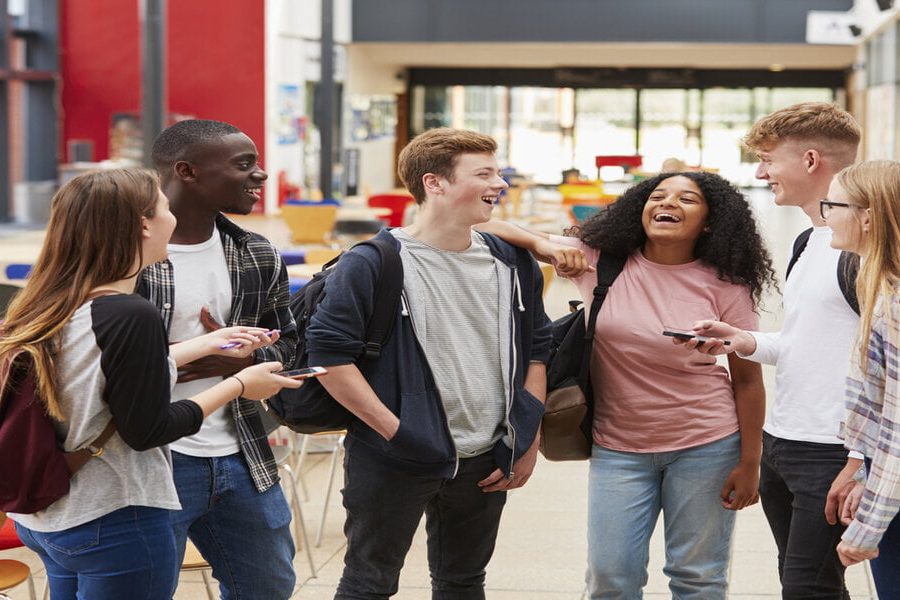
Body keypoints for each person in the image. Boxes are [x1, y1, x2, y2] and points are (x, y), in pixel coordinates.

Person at [2, 168, 300, 599]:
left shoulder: (52, 301)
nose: (172, 217)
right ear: (143, 224)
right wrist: (239, 384)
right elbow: (149, 429)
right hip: (116, 518)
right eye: (164, 207)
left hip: (50, 520)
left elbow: (97, 377)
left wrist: (205, 344)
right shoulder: (130, 313)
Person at [481, 170, 775, 599]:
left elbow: (747, 380)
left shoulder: (727, 284)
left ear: (709, 222)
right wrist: (545, 246)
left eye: (687, 200)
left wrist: (751, 462)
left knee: (698, 576)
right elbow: (483, 225)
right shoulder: (600, 260)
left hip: (707, 444)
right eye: (658, 195)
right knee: (610, 576)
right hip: (618, 447)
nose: (667, 204)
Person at [306, 127, 552, 599]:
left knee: (462, 582)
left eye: (498, 171)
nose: (499, 182)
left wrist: (527, 435)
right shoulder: (374, 262)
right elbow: (329, 356)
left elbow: (537, 349)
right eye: (484, 173)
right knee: (368, 582)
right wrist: (396, 432)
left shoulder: (512, 262)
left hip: (486, 454)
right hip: (393, 455)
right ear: (434, 183)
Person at [682, 102, 862, 599]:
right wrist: (745, 341)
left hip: (835, 448)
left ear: (809, 161)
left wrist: (862, 460)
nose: (761, 172)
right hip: (785, 441)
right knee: (803, 580)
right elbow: (813, 344)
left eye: (767, 158)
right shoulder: (809, 241)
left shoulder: (864, 250)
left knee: (808, 587)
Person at [137, 120, 300, 599]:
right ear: (186, 171)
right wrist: (192, 352)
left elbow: (290, 345)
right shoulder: (125, 252)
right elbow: (86, 356)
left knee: (268, 588)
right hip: (153, 460)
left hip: (242, 452)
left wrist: (240, 364)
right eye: (244, 165)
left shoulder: (256, 253)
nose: (262, 175)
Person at [819, 161, 899, 599]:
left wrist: (868, 528)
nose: (825, 213)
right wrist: (863, 472)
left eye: (833, 204)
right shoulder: (879, 285)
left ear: (868, 216)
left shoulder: (896, 302)